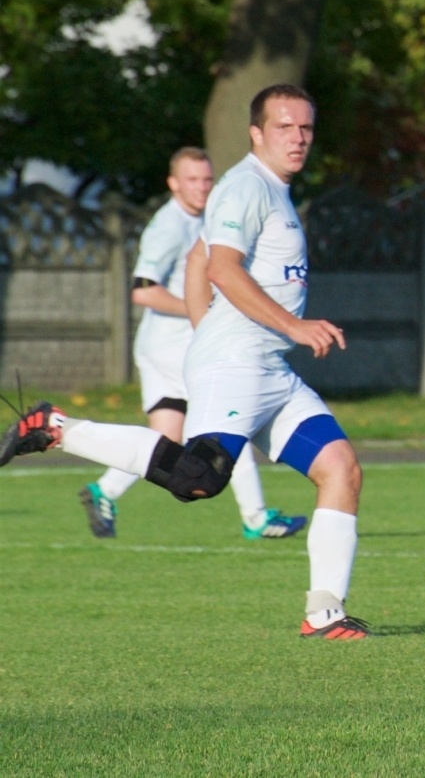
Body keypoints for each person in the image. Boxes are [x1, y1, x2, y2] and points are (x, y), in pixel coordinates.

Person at [1, 85, 369, 639]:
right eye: (284, 127)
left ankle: (324, 613)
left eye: (306, 129)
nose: (298, 139)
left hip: (270, 370)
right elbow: (222, 267)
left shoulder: (271, 190)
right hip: (238, 367)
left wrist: (206, 324)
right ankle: (57, 429)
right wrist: (287, 326)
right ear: (256, 133)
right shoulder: (247, 186)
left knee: (339, 468)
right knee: (197, 480)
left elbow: (201, 260)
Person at [78, 146, 306, 541]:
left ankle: (106, 489)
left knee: (169, 436)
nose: (201, 187)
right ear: (172, 184)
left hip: (169, 346)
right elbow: (143, 291)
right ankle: (256, 517)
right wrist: (202, 307)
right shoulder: (169, 224)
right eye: (192, 180)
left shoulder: (205, 217)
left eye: (206, 179)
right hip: (173, 346)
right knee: (235, 421)